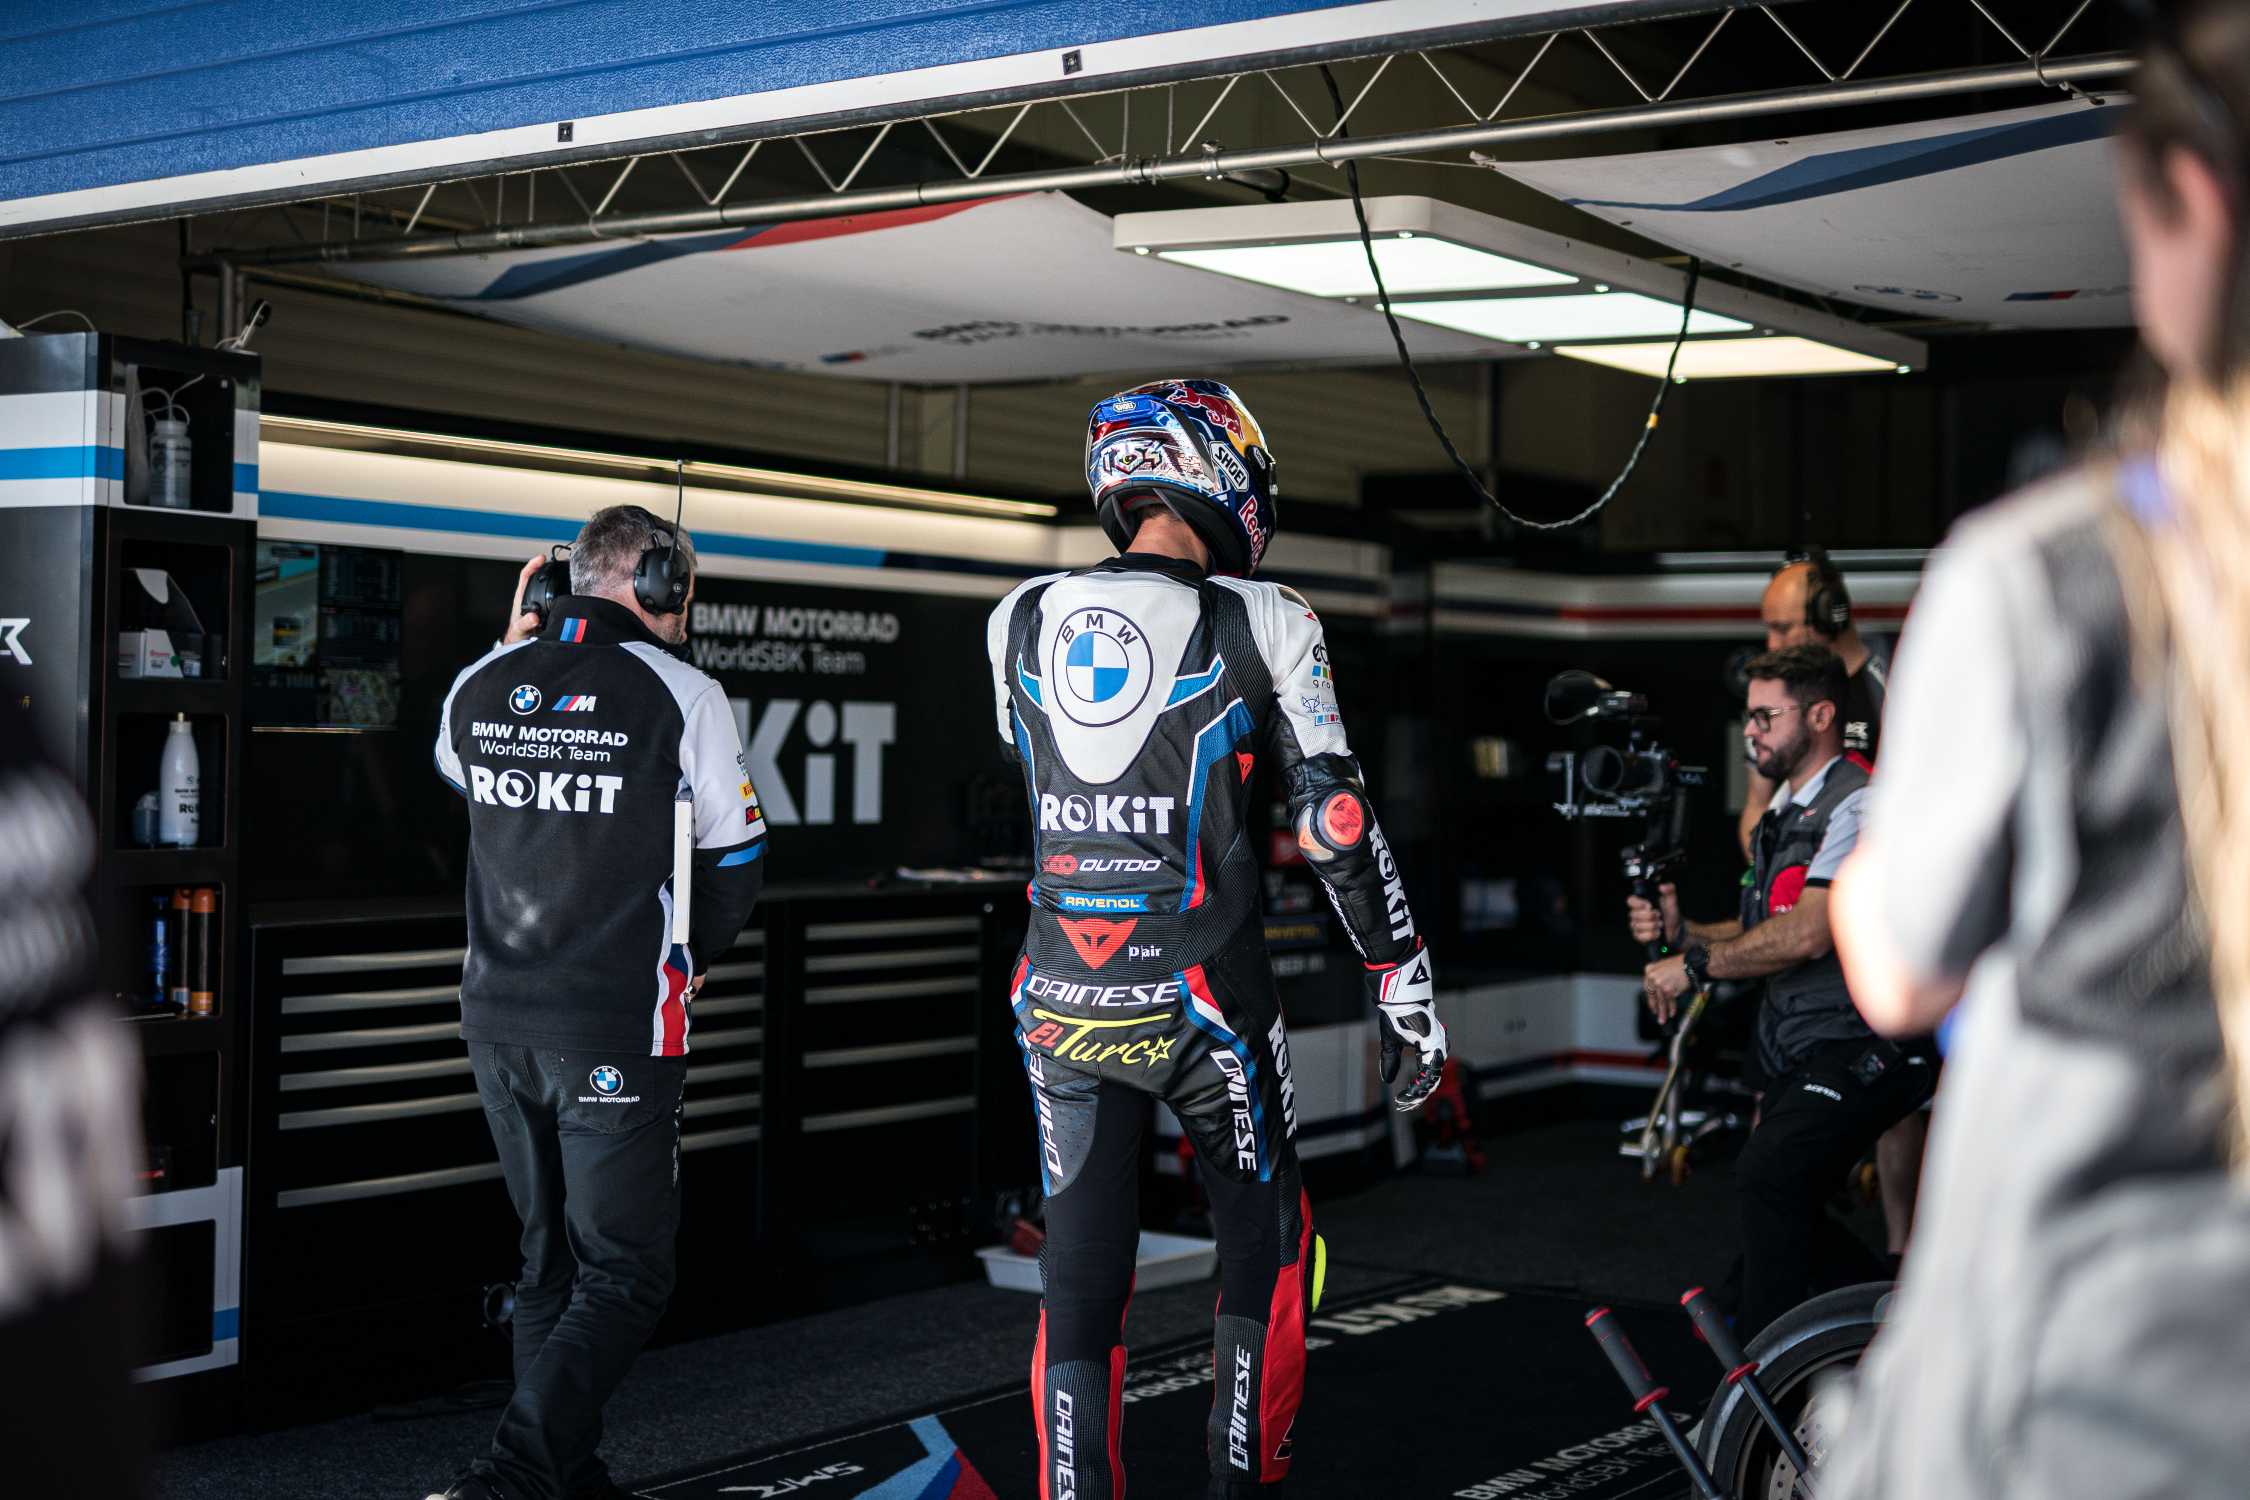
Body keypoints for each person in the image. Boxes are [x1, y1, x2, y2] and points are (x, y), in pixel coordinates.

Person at [1824, 4, 2250, 1493]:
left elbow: (1900, 972)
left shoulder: (2055, 575)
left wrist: (1864, 860)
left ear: (2190, 201)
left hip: (2098, 1393)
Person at [987, 378, 1448, 1500]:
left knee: (1081, 1272)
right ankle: (1244, 1480)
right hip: (1208, 999)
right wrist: (1404, 987)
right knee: (1267, 1245)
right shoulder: (1267, 615)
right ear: (1218, 468)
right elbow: (1335, 826)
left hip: (1058, 990)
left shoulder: (1018, 617)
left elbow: (1045, 782)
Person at [425, 506, 768, 1500]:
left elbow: (459, 770)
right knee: (626, 1273)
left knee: (549, 1267)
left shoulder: (478, 683)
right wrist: (692, 956)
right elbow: (735, 857)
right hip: (617, 1023)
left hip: (496, 1023)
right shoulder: (684, 692)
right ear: (658, 581)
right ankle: (515, 1476)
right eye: (683, 588)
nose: (686, 608)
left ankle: (562, 1480)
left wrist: (513, 649)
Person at [1630, 646, 1932, 1340]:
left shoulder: (1860, 803)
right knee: (1777, 1195)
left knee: (1769, 1176)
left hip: (1869, 1043)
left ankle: (1766, 1365)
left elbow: (1807, 934)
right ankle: (1884, 1328)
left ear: (1821, 716)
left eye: (1766, 716)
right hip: (1800, 1044)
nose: (1750, 731)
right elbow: (1759, 927)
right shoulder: (1784, 810)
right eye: (1748, 717)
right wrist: (1683, 933)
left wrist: (1694, 968)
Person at [1738, 552, 1925, 1266]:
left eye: (1785, 627)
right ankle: (1791, 1262)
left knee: (1892, 1081)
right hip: (1809, 903)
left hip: (1891, 909)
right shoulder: (1781, 697)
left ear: (1832, 616)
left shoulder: (1889, 679)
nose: (1774, 641)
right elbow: (1758, 810)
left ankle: (1901, 1254)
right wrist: (1779, 871)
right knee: (1779, 1105)